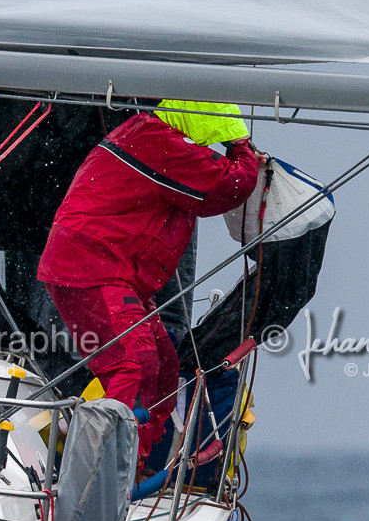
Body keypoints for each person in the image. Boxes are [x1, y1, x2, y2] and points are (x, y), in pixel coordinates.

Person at [38, 102, 262, 458]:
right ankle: (102, 470)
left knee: (162, 366)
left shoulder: (147, 133)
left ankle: (133, 461)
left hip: (106, 271)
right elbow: (225, 187)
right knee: (133, 364)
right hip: (92, 269)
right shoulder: (158, 141)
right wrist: (242, 149)